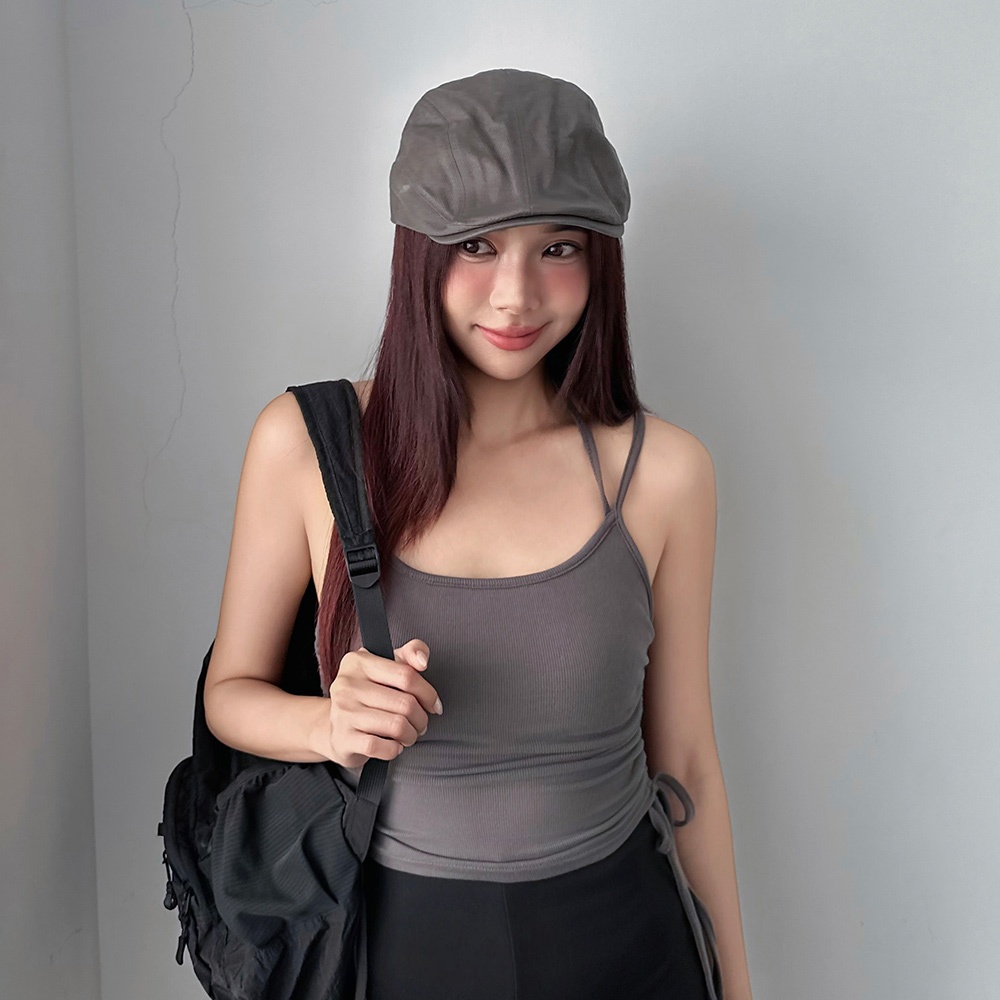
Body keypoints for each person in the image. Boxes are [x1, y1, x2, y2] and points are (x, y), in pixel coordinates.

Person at [203, 68, 753, 1000]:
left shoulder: (664, 473)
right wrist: (330, 723)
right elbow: (231, 695)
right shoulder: (306, 446)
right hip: (399, 947)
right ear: (417, 252)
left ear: (602, 258)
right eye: (476, 245)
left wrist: (735, 987)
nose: (515, 296)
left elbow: (688, 758)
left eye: (558, 248)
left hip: (630, 939)